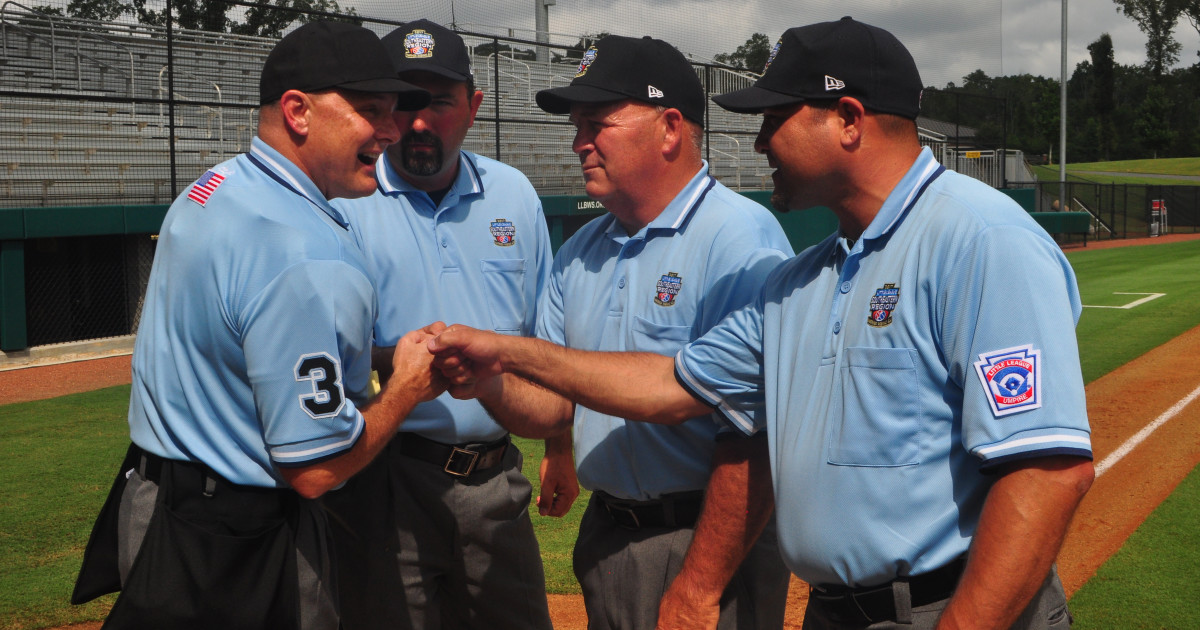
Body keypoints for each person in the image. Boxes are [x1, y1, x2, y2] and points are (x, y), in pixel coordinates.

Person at [430, 17, 1095, 630]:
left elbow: (1046, 473)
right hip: (839, 611)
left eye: (775, 118)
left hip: (950, 606)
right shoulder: (804, 279)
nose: (756, 142)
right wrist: (506, 355)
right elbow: (667, 384)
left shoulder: (980, 238)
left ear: (849, 119)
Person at [70, 21, 443, 629]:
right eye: (372, 110)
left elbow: (240, 342)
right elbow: (316, 469)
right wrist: (406, 387)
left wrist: (373, 358)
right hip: (238, 544)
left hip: (154, 502)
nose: (394, 130)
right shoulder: (307, 253)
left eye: (396, 110)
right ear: (298, 111)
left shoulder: (211, 187)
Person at [436, 33, 794, 630]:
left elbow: (753, 438)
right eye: (577, 126)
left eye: (597, 123)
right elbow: (553, 410)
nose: (580, 142)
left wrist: (701, 584)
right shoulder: (580, 251)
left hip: (705, 537)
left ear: (670, 128)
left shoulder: (739, 238)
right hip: (607, 535)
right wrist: (487, 383)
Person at [323, 19, 567, 630]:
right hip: (386, 482)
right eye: (403, 103)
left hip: (497, 478)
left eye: (438, 101)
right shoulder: (344, 201)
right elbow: (326, 354)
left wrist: (560, 447)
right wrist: (401, 363)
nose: (420, 121)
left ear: (474, 106)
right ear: (376, 111)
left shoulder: (513, 194)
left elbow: (546, 344)